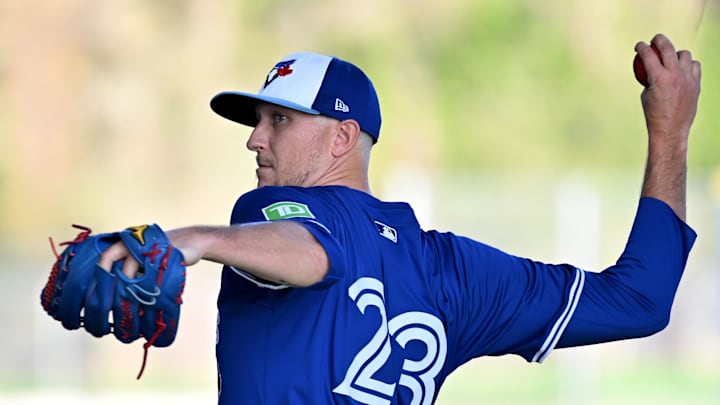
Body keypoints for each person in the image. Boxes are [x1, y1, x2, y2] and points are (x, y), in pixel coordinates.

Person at [99, 33, 701, 404]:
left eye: (277, 120)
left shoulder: (261, 213)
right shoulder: (455, 271)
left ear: (342, 137)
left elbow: (313, 252)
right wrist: (670, 136)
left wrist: (196, 239)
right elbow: (640, 301)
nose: (255, 139)